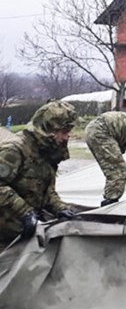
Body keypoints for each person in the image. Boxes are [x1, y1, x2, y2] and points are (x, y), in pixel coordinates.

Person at [0, 100, 78, 245]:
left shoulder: (47, 152)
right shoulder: (14, 150)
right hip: (5, 233)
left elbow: (47, 191)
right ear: (49, 130)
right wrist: (25, 212)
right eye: (64, 132)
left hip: (26, 232)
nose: (67, 137)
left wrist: (60, 208)